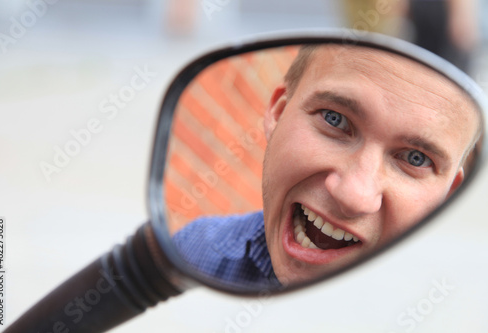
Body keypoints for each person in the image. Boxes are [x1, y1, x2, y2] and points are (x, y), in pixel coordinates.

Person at [173, 43, 482, 288]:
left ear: (446, 196)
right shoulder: (196, 253)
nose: (353, 194)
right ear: (278, 114)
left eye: (416, 159)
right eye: (334, 119)